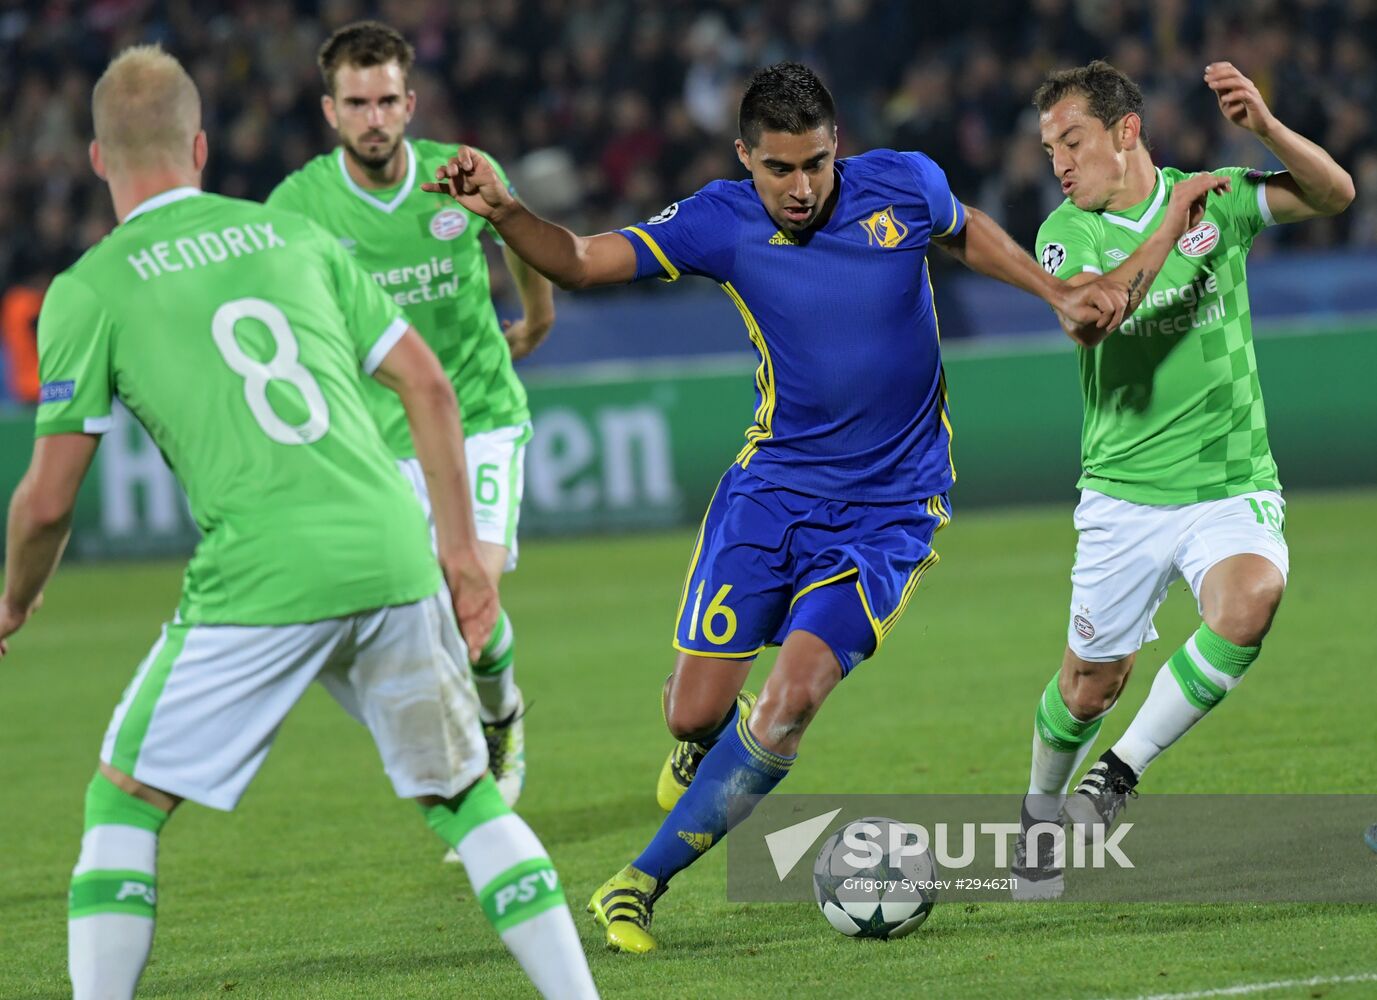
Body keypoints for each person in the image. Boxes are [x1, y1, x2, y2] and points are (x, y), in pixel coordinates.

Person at [424, 61, 1126, 952]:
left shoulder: (903, 184)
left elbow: (965, 229)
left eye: (817, 164)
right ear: (744, 159)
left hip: (890, 512)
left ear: (838, 148)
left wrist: (1054, 290)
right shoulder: (719, 221)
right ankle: (702, 742)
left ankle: (637, 884)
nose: (801, 188)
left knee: (792, 698)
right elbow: (582, 261)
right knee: (690, 714)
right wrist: (506, 211)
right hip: (772, 497)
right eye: (779, 169)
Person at [0, 45, 597, 999]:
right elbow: (426, 386)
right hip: (395, 551)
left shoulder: (88, 287)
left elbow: (47, 499)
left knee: (123, 798)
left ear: (98, 160)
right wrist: (456, 553)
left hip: (264, 573)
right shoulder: (294, 239)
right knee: (463, 797)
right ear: (199, 148)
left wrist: (12, 603)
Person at [1013, 60, 1354, 899]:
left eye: (1072, 140)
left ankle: (1117, 777)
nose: (1057, 161)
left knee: (1250, 603)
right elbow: (1095, 317)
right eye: (1049, 146)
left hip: (1228, 480)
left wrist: (1266, 131)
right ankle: (1036, 819)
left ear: (1124, 131)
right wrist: (1170, 219)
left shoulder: (1220, 195)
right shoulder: (1066, 232)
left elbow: (1334, 195)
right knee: (1090, 684)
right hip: (1124, 492)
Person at [267, 21, 555, 813]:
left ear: (410, 103)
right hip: (378, 441)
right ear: (330, 111)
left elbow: (518, 234)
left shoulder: (460, 175)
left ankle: (497, 723)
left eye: (386, 100)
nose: (373, 118)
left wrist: (537, 318)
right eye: (356, 103)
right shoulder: (299, 205)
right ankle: (489, 713)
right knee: (424, 622)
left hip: (481, 417)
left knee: (470, 597)